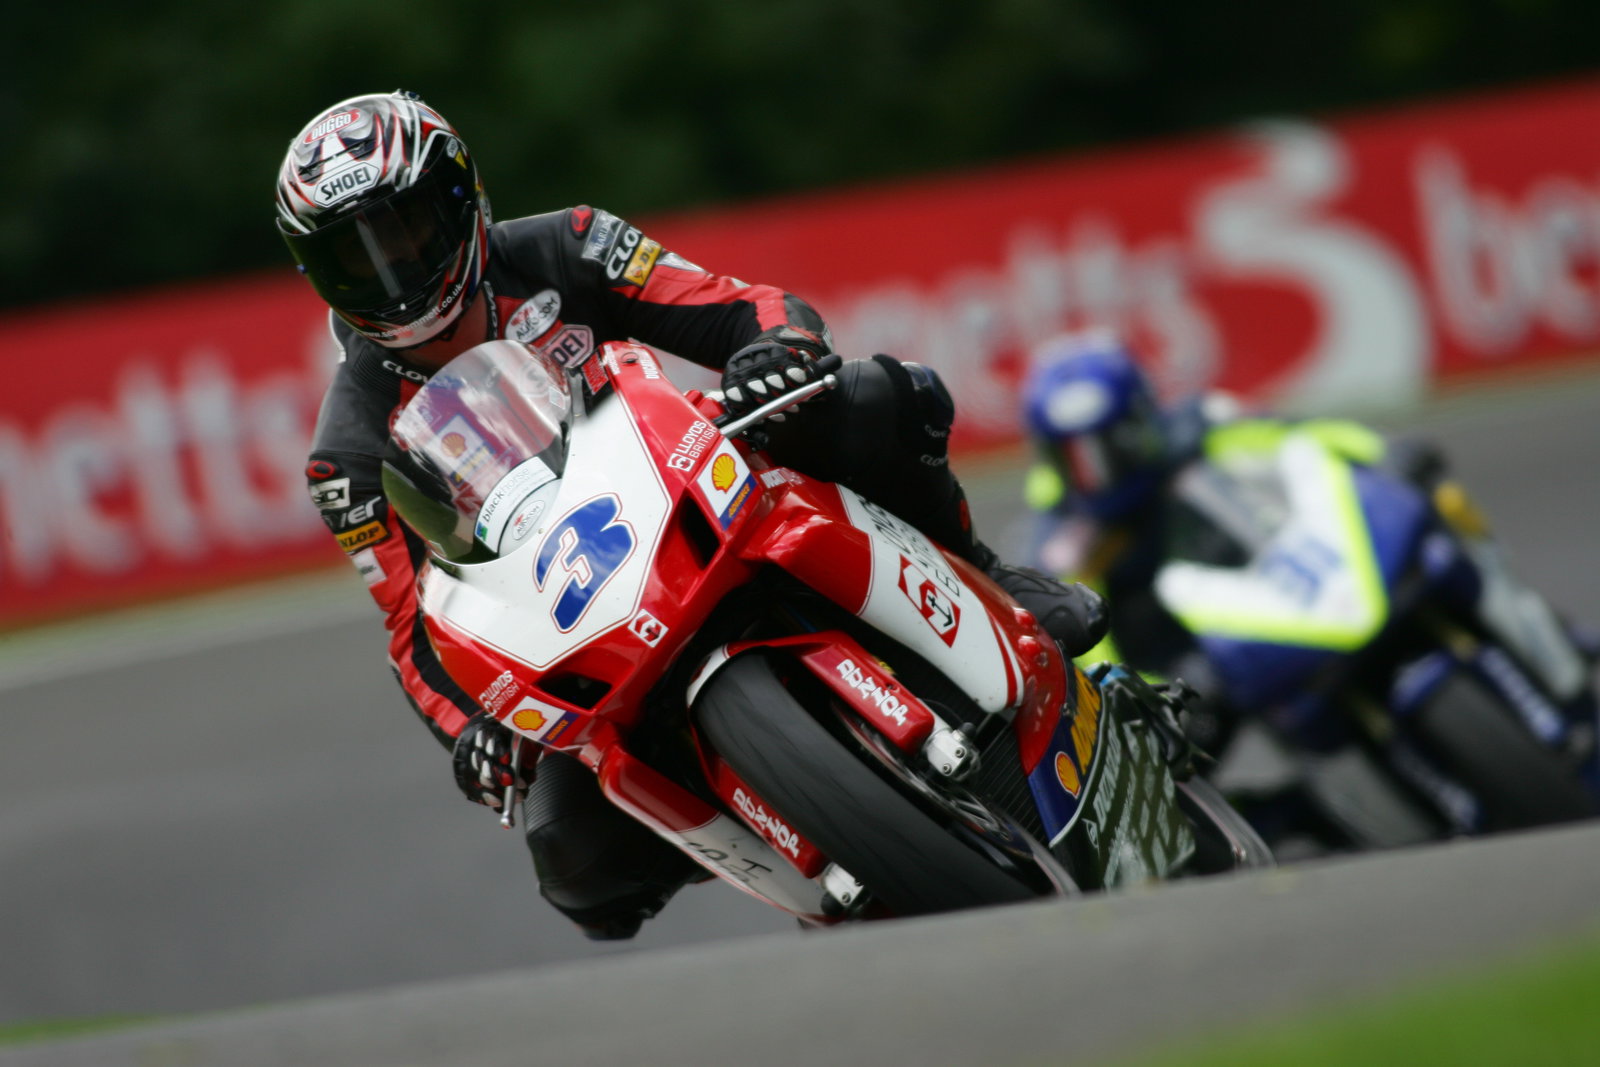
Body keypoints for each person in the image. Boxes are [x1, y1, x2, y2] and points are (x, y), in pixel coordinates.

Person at [278, 90, 1107, 940]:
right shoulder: (343, 454)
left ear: (463, 200)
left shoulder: (568, 241)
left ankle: (989, 574)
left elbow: (745, 304)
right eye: (356, 258)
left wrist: (776, 352)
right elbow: (414, 628)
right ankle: (813, 842)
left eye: (410, 231)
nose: (396, 273)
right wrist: (473, 729)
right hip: (566, 617)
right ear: (318, 275)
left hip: (691, 477)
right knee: (576, 864)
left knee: (872, 398)